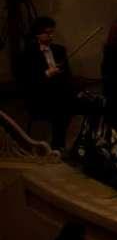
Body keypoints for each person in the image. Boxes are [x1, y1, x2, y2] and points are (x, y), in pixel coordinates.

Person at [19, 16, 75, 150]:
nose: (51, 36)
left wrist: (61, 74)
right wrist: (47, 74)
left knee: (73, 104)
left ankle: (66, 145)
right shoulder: (29, 53)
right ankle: (57, 146)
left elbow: (67, 75)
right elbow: (27, 80)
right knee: (60, 109)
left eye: (52, 32)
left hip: (59, 93)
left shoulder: (59, 50)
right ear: (38, 34)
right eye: (47, 33)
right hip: (40, 96)